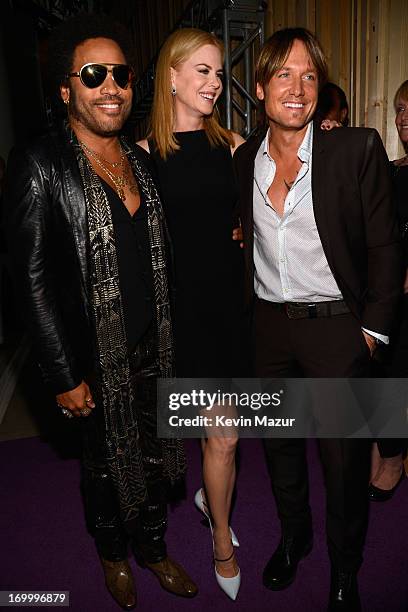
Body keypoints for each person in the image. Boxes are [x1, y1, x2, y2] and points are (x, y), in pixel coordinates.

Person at [5, 16, 198, 611]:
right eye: (94, 75)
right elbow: (27, 283)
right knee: (104, 468)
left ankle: (154, 548)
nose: (110, 86)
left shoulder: (141, 163)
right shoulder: (40, 165)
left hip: (153, 348)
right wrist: (62, 375)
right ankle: (115, 557)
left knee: (156, 452)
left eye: (121, 74)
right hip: (92, 358)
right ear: (67, 90)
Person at [234, 27, 401, 610]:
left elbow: (385, 248)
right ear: (260, 87)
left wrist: (373, 333)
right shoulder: (241, 161)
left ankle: (345, 567)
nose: (299, 88)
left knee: (343, 461)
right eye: (284, 74)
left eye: (310, 76)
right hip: (269, 327)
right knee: (279, 448)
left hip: (337, 330)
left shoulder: (355, 149)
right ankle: (294, 536)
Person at [137, 28, 246, 600]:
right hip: (180, 317)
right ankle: (219, 530)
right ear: (172, 78)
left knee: (224, 439)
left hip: (231, 308)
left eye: (218, 71)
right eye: (201, 71)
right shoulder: (145, 158)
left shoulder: (231, 143)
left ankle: (218, 521)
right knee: (208, 437)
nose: (214, 81)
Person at [368, 80, 408, 501]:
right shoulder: (395, 171)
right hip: (390, 291)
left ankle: (394, 455)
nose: (402, 118)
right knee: (381, 369)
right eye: (398, 108)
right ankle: (386, 446)